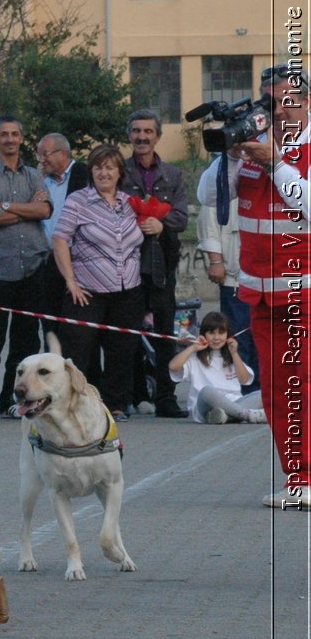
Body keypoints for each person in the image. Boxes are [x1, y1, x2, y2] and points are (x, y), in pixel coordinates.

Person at [196, 62, 311, 510]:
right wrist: (229, 152)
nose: (278, 112)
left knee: (302, 384)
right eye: (270, 102)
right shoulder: (254, 149)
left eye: (286, 101)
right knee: (275, 391)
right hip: (259, 291)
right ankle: (298, 479)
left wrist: (275, 163)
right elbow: (209, 196)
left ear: (304, 104)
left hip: (303, 290)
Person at [0, 115, 54, 424]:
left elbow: (45, 210)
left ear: (21, 138)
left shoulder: (34, 175)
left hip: (33, 267)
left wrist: (7, 206)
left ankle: (11, 398)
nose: (9, 139)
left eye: (15, 134)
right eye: (3, 134)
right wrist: (22, 210)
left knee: (26, 342)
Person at [50, 144, 145, 419]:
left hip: (128, 289)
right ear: (91, 171)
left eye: (109, 168)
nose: (104, 173)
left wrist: (157, 225)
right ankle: (78, 403)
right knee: (79, 349)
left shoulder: (130, 203)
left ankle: (116, 405)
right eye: (98, 167)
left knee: (122, 351)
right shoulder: (78, 201)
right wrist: (70, 281)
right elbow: (60, 239)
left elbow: (150, 229)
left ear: (119, 173)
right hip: (87, 290)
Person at [121, 108, 189, 417]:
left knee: (164, 332)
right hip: (126, 263)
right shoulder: (119, 171)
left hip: (163, 264)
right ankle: (133, 395)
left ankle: (166, 397)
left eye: (148, 131)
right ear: (129, 135)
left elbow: (182, 217)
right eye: (136, 131)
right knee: (127, 332)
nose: (142, 137)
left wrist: (161, 224)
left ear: (157, 136)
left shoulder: (173, 175)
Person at [196, 159, 258, 393]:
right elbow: (208, 217)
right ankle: (241, 392)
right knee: (237, 339)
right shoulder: (221, 168)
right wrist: (215, 261)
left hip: (270, 276)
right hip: (235, 277)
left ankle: (266, 393)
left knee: (267, 339)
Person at [36, 132, 91, 335]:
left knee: (78, 330)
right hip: (48, 263)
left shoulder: (85, 175)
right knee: (51, 328)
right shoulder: (40, 181)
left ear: (63, 153)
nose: (42, 160)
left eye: (46, 154)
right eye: (39, 155)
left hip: (78, 263)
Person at [169, 311, 266, 425]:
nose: (216, 338)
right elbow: (173, 366)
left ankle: (226, 417)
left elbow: (244, 380)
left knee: (266, 393)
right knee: (207, 391)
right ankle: (247, 415)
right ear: (204, 334)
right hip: (206, 405)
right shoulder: (195, 357)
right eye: (211, 333)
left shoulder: (231, 355)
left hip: (234, 402)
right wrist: (193, 348)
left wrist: (234, 354)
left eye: (221, 333)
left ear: (227, 335)